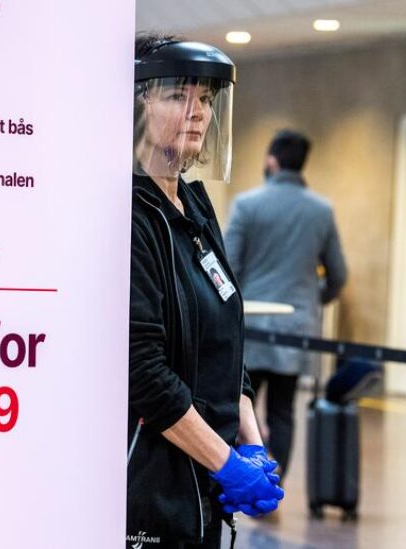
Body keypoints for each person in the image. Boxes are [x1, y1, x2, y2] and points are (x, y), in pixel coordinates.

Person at [127, 34, 284, 549]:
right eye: (177, 97)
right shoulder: (129, 214)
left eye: (207, 100)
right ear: (135, 104)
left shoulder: (195, 209)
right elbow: (143, 370)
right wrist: (226, 462)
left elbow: (226, 339)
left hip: (203, 485)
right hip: (150, 489)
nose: (197, 113)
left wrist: (251, 447)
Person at [224, 129, 348, 483]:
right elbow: (338, 274)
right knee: (282, 411)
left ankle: (243, 480)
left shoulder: (248, 205)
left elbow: (227, 267)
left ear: (271, 161)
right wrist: (313, 299)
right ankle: (274, 485)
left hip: (252, 325)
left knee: (240, 406)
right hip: (297, 330)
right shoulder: (321, 211)